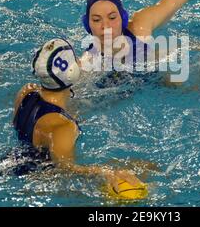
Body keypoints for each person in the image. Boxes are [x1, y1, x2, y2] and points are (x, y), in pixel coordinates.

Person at [12, 38, 143, 192]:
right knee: (143, 167)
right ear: (72, 72)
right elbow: (66, 170)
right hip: (35, 180)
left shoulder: (26, 91)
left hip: (14, 162)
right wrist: (105, 173)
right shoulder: (63, 126)